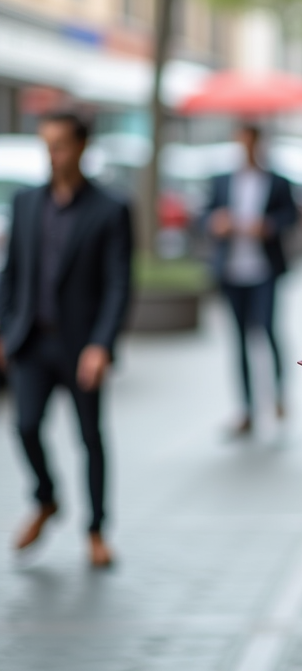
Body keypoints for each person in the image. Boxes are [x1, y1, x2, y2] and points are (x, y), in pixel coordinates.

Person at [0, 111, 133, 567]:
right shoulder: (26, 203)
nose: (51, 155)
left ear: (81, 147)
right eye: (46, 145)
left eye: (59, 145)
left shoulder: (110, 209)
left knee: (90, 439)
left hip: (82, 346)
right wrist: (4, 331)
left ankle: (96, 530)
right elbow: (12, 273)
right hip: (32, 341)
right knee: (25, 426)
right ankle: (46, 498)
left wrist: (102, 344)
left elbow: (119, 284)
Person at [205, 124, 298, 435]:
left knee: (268, 332)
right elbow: (203, 215)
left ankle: (279, 394)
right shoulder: (221, 180)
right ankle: (246, 409)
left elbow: (292, 215)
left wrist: (269, 225)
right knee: (239, 340)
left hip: (265, 270)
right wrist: (215, 223)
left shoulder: (277, 181)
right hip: (231, 270)